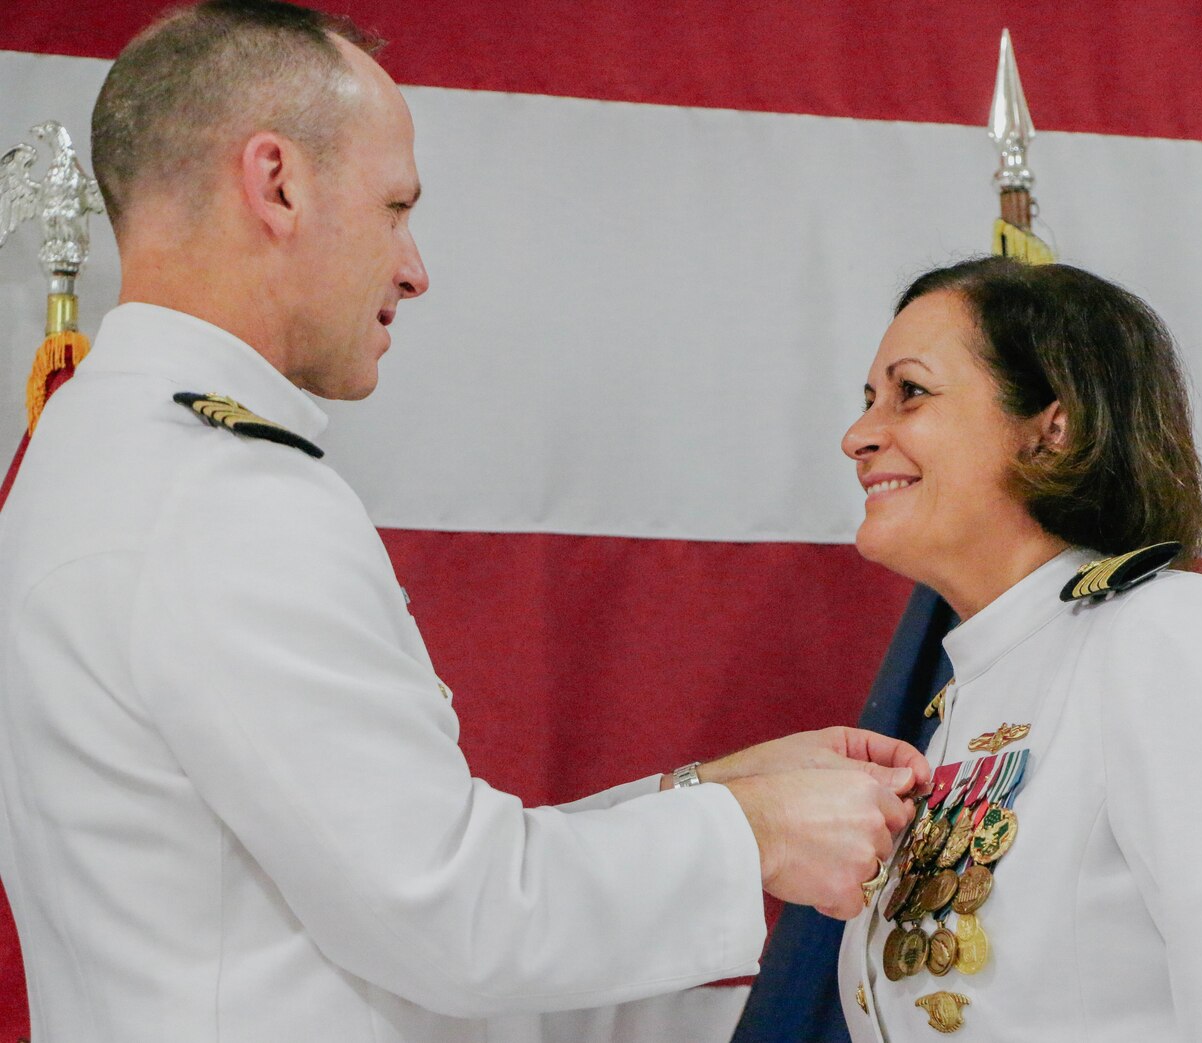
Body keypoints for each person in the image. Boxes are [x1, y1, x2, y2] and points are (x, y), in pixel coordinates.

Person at [0, 2, 930, 1039]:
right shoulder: (217, 498)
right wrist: (749, 833)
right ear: (276, 184)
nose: (414, 267)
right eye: (395, 205)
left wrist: (700, 788)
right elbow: (450, 911)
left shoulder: (102, 451)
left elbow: (380, 865)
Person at [834, 257, 1202, 1041]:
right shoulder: (969, 695)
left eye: (910, 393)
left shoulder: (1173, 636)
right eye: (866, 402)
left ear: (1051, 428)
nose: (858, 435)